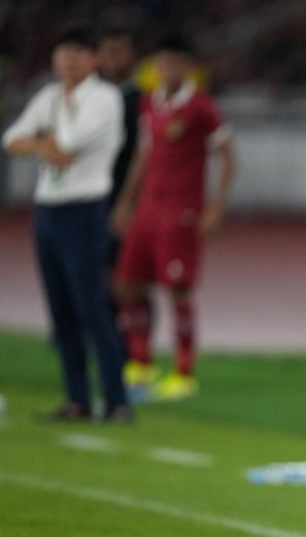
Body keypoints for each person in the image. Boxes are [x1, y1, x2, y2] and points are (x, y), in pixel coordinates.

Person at [2, 23, 131, 422]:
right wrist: (45, 144)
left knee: (92, 307)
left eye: (78, 52)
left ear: (93, 58)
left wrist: (41, 141)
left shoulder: (104, 98)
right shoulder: (50, 96)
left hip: (84, 208)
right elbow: (11, 141)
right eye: (63, 53)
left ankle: (116, 400)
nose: (69, 60)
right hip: (48, 209)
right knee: (60, 311)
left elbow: (69, 146)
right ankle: (76, 398)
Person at [112, 31, 235, 401]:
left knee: (177, 290)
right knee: (129, 284)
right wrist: (125, 202)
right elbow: (144, 156)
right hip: (148, 209)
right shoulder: (150, 103)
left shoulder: (201, 106)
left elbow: (229, 157)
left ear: (189, 67)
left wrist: (214, 207)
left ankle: (184, 373)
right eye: (162, 63)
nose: (168, 69)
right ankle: (141, 364)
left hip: (181, 212)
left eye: (176, 62)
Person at [96, 25, 141, 320]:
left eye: (118, 52)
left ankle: (133, 348)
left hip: (125, 199)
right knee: (95, 271)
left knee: (127, 275)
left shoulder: (140, 100)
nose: (112, 59)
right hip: (92, 197)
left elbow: (143, 155)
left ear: (132, 56)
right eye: (107, 52)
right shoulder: (91, 96)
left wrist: (129, 202)